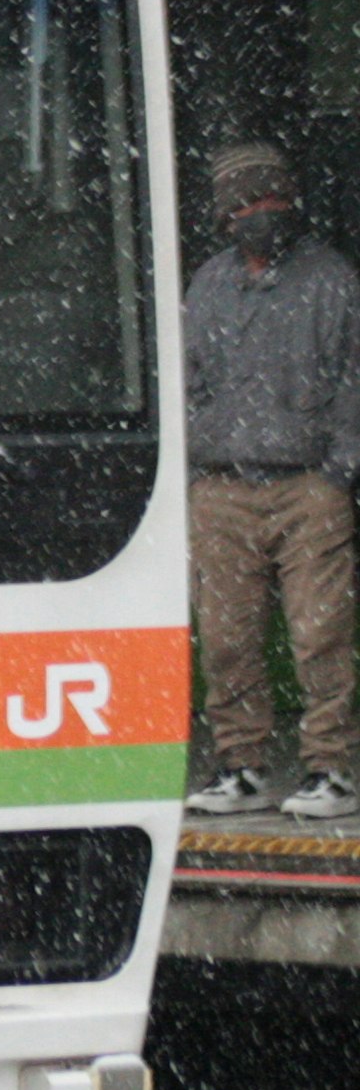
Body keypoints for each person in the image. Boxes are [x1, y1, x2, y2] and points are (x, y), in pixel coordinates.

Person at [186, 141, 360, 817]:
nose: (267, 211)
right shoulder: (206, 283)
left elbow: (355, 381)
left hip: (308, 487)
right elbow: (189, 379)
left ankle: (330, 769)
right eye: (252, 201)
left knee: (321, 634)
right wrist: (203, 461)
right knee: (227, 636)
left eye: (276, 197)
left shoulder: (332, 280)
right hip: (223, 488)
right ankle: (242, 765)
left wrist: (337, 471)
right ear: (226, 214)